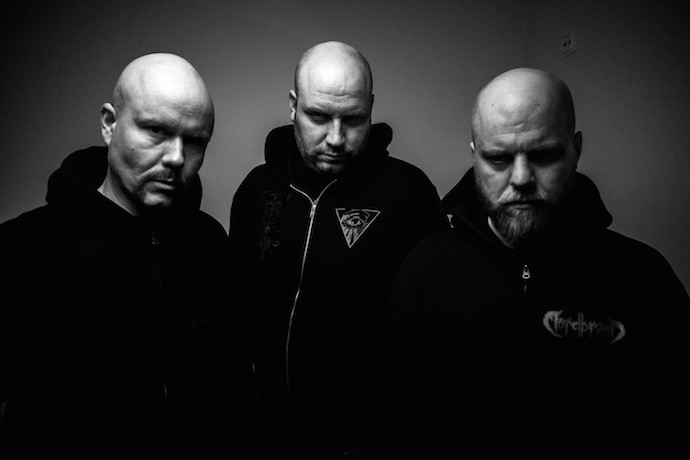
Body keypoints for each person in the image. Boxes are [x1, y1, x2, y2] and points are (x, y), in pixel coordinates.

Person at [384, 67, 689, 456]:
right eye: (498, 158)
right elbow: (398, 421)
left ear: (575, 149)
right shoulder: (425, 270)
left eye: (543, 155)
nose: (522, 178)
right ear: (475, 156)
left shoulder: (643, 277)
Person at [0, 53, 255, 455]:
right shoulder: (23, 249)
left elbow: (234, 389)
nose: (176, 157)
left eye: (194, 141)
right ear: (109, 123)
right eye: (156, 130)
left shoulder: (211, 243)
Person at [229, 41, 448, 458]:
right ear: (293, 106)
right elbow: (234, 311)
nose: (336, 139)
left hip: (366, 440)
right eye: (317, 116)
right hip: (266, 433)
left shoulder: (409, 193)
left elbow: (435, 333)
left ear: (371, 109)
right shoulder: (257, 189)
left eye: (353, 119)